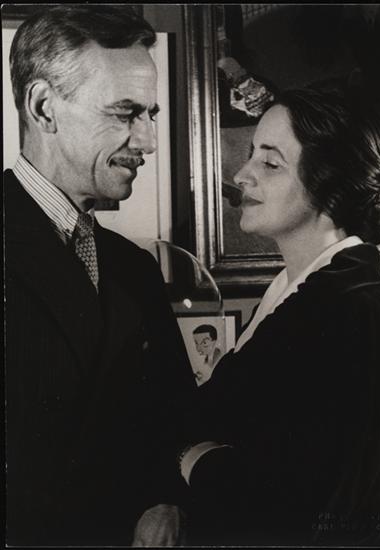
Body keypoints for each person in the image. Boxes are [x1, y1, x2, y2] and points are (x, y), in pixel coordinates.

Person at [152, 89, 380, 546]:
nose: (242, 175)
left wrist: (189, 454)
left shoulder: (354, 315)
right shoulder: (298, 292)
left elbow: (298, 515)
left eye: (270, 163)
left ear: (330, 186)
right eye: (250, 154)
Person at [4, 5, 196, 546]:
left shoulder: (134, 267)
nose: (149, 141)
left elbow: (176, 418)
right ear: (44, 108)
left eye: (150, 114)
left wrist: (165, 500)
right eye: (125, 113)